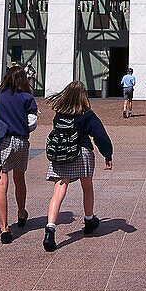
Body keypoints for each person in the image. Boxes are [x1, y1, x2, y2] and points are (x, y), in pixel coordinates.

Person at [43, 81, 113, 252]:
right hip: (82, 153)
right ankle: (89, 220)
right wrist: (107, 154)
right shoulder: (87, 115)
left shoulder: (59, 114)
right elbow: (100, 137)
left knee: (58, 190)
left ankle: (50, 228)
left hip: (63, 154)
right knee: (87, 187)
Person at [0, 66, 38, 244]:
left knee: (1, 182)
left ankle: (5, 228)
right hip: (20, 141)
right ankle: (21, 213)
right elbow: (32, 123)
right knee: (19, 178)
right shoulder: (27, 97)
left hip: (1, 141)